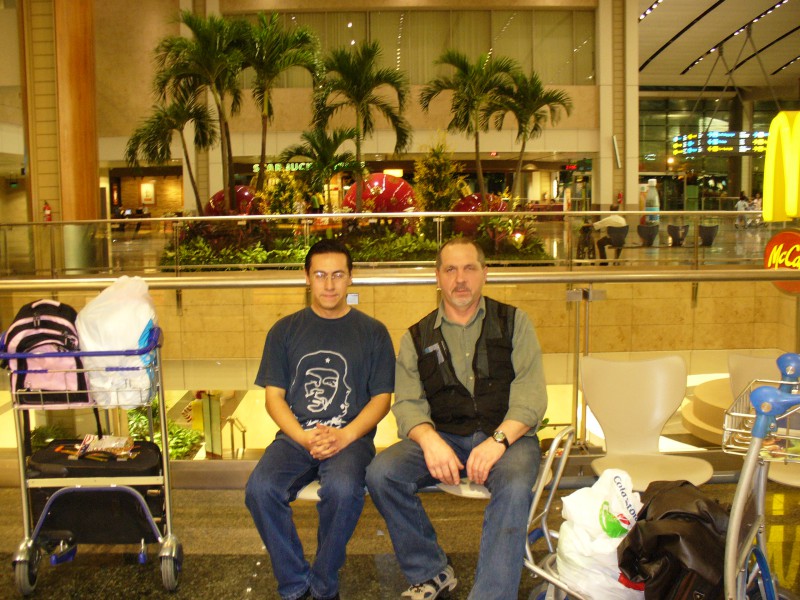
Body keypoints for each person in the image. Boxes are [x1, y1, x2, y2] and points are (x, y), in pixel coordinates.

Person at [366, 237, 548, 600]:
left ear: (485, 273)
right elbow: (408, 403)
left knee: (514, 486)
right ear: (438, 277)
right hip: (446, 436)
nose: (460, 279)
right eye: (450, 269)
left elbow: (531, 396)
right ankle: (430, 571)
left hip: (508, 438)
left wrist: (498, 441)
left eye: (469, 268)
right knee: (381, 474)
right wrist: (429, 440)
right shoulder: (416, 337)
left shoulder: (515, 322)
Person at [245, 239, 395, 600]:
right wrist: (303, 436)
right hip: (296, 437)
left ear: (351, 277)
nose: (329, 284)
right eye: (321, 275)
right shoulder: (284, 331)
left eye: (338, 275)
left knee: (343, 491)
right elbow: (274, 398)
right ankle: (295, 583)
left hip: (351, 439)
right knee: (260, 490)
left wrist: (345, 436)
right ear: (307, 277)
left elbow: (381, 399)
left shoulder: (373, 332)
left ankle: (324, 582)